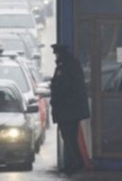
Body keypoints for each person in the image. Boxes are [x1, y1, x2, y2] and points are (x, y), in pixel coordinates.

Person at [50, 43, 90, 174]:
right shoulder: (69, 64)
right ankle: (75, 163)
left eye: (56, 53)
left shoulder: (66, 66)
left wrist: (54, 98)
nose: (55, 55)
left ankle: (77, 164)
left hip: (68, 110)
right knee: (69, 137)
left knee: (69, 138)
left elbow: (62, 87)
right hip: (70, 109)